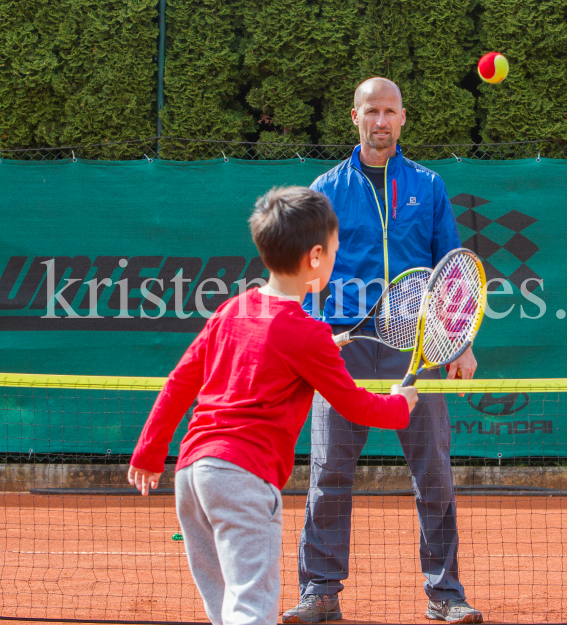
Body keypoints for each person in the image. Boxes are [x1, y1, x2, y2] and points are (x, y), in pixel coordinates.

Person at [127, 186, 419, 625]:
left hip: (192, 476)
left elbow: (179, 383)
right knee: (251, 609)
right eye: (336, 248)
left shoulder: (231, 310)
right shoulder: (308, 334)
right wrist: (400, 405)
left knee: (226, 607)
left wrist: (149, 453)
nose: (338, 256)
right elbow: (356, 405)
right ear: (316, 257)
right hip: (243, 479)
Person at [284, 78, 482, 624]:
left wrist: (459, 340)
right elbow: (306, 271)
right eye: (371, 111)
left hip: (415, 351)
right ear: (355, 116)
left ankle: (446, 595)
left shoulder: (429, 185)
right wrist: (307, 333)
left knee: (434, 475)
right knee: (328, 474)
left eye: (390, 111)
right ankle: (320, 592)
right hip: (343, 352)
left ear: (402, 118)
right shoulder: (326, 188)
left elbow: (452, 272)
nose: (381, 121)